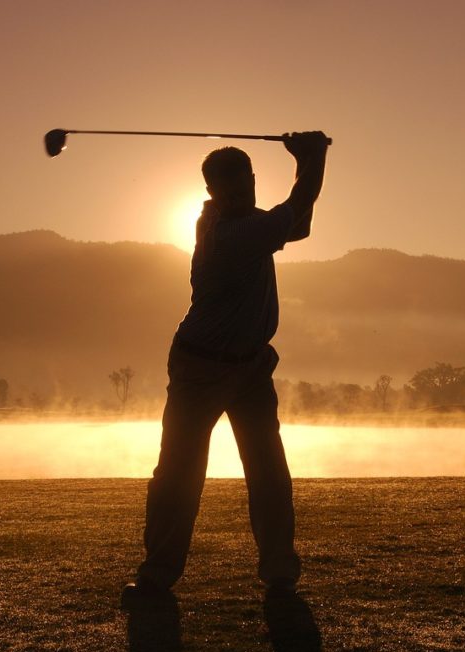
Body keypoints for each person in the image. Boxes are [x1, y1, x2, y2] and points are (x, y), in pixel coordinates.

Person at [122, 131, 330, 605]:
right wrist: (313, 155)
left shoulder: (241, 221)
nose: (241, 198)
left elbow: (297, 225)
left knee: (269, 472)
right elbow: (299, 204)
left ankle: (280, 577)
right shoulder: (228, 234)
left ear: (253, 181)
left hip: (251, 367)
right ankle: (156, 577)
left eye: (246, 189)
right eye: (231, 193)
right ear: (213, 193)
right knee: (178, 472)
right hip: (201, 367)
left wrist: (305, 165)